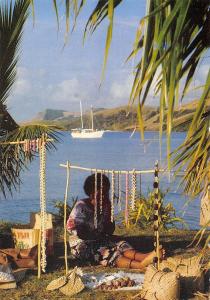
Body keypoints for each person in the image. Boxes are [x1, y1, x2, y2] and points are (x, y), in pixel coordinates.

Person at [67, 173, 165, 269]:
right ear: (92, 193)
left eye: (106, 192)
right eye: (101, 193)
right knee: (106, 251)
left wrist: (108, 226)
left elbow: (109, 229)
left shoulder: (105, 205)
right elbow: (80, 233)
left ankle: (145, 257)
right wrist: (100, 238)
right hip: (82, 244)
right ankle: (140, 265)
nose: (104, 196)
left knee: (121, 243)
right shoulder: (81, 207)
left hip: (99, 239)